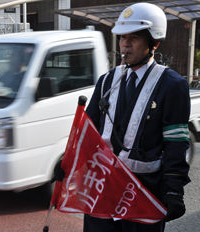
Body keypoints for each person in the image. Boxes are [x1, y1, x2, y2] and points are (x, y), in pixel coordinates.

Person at [83, 2, 190, 232]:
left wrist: (173, 188)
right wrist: (72, 162)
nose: (125, 45)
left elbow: (176, 142)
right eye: (122, 38)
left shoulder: (172, 85)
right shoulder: (106, 81)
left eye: (134, 38)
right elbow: (88, 130)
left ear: (154, 43)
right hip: (103, 190)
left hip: (143, 192)